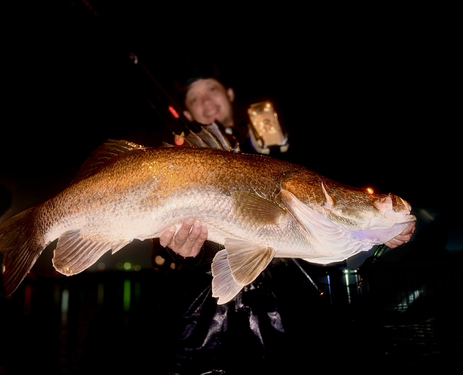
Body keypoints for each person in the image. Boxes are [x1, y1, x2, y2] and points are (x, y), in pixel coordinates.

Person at [157, 59, 416, 374]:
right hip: (205, 323)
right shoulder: (178, 160)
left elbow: (328, 225)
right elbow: (158, 247)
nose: (206, 102)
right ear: (185, 114)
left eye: (211, 90)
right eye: (194, 98)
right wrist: (179, 252)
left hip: (285, 316)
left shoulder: (283, 151)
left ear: (229, 93)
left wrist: (381, 234)